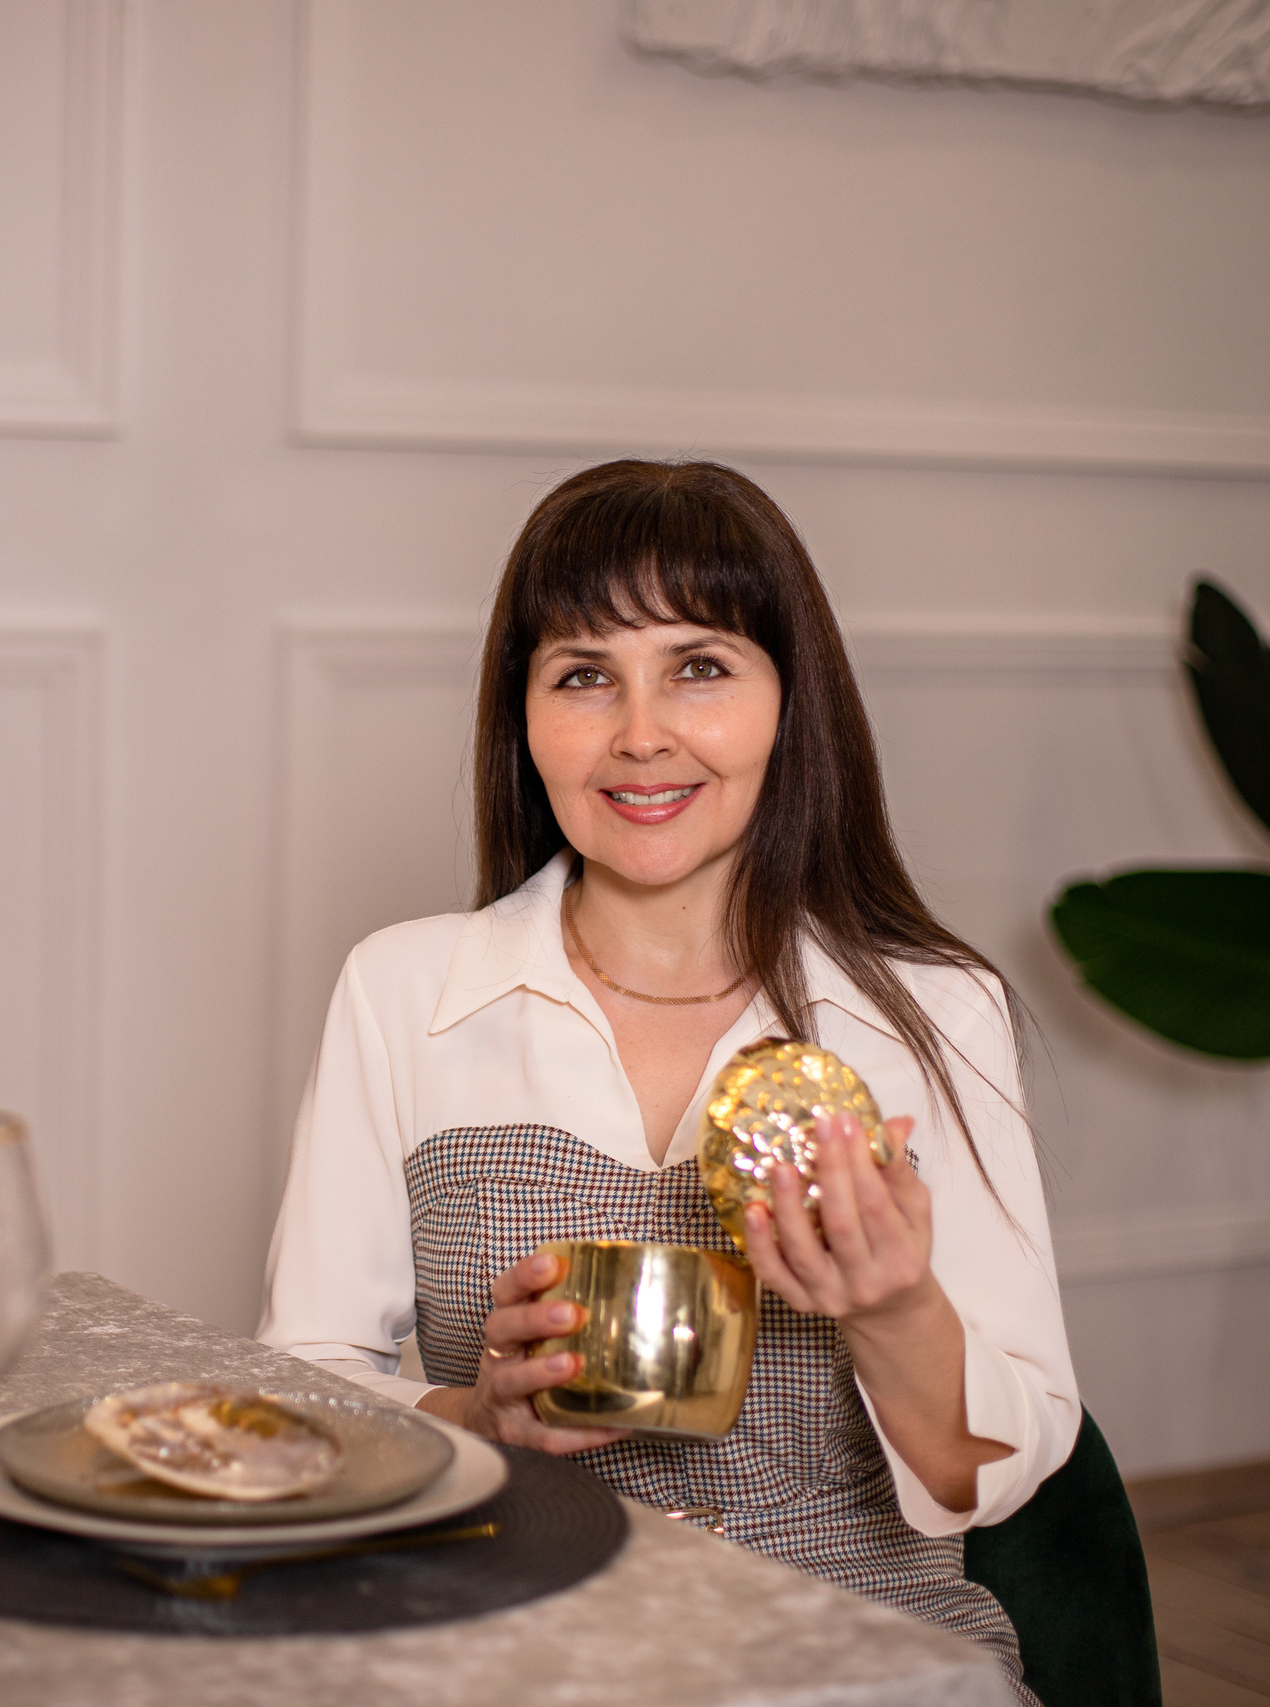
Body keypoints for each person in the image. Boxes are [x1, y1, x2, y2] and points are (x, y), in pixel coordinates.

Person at [257, 459, 1076, 1701]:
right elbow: (304, 1379)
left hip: (851, 1654)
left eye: (699, 666)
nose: (640, 733)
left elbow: (991, 1474)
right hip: (505, 1639)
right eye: (584, 675)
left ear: (789, 702)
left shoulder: (936, 1013)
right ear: (522, 719)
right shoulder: (400, 990)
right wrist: (483, 1417)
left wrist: (890, 1305)